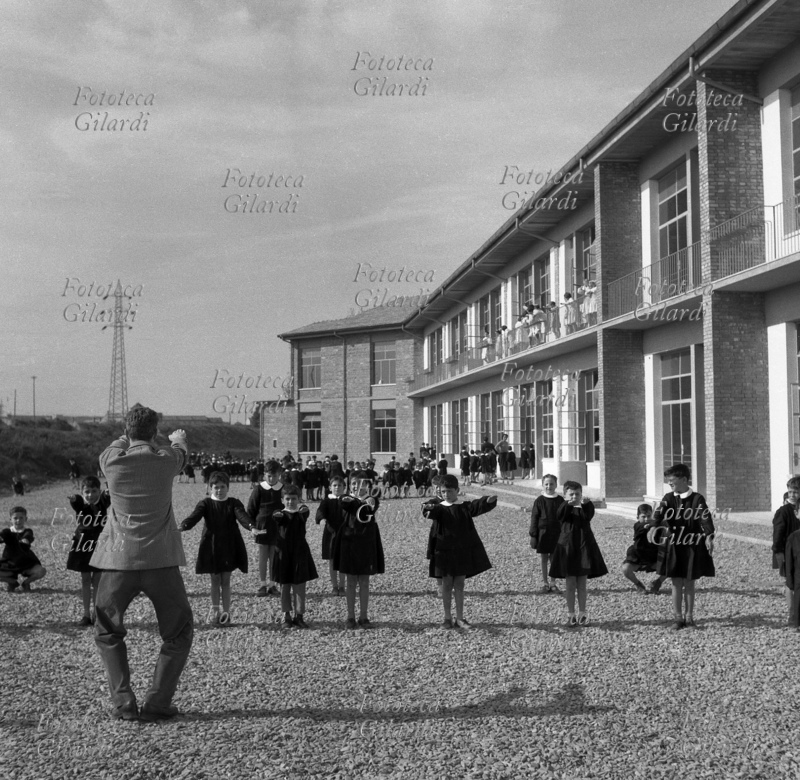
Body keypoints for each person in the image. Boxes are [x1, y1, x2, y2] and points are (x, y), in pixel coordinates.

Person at [90, 406, 192, 722]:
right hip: (160, 560)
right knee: (178, 633)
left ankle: (123, 703)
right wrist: (171, 439)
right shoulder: (166, 461)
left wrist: (135, 435)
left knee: (108, 632)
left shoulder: (111, 461)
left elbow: (118, 444)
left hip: (118, 560)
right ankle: (158, 701)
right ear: (153, 431)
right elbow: (180, 453)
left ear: (127, 430)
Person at [422, 474, 498, 628]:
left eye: (449, 491)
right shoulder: (438, 507)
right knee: (446, 585)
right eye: (443, 492)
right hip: (443, 551)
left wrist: (488, 501)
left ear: (457, 490)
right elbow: (429, 510)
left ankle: (460, 618)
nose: (446, 494)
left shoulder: (463, 506)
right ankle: (447, 617)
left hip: (461, 551)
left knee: (460, 584)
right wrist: (427, 507)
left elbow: (476, 506)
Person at [180, 471, 252, 626]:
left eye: (222, 487)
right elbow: (195, 516)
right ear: (210, 488)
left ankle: (226, 614)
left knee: (225, 580)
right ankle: (214, 612)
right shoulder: (205, 503)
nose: (219, 490)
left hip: (229, 545)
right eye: (216, 487)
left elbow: (242, 516)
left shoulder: (234, 503)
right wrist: (184, 525)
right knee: (214, 580)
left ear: (228, 487)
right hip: (211, 545)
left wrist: (251, 527)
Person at [652, 463, 715, 630]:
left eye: (672, 480)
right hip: (673, 544)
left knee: (689, 582)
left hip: (692, 545)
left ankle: (689, 617)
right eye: (668, 481)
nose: (670, 484)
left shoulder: (697, 499)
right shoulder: (668, 498)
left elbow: (705, 519)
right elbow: (658, 515)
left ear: (684, 479)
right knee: (675, 582)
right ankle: (678, 618)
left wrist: (709, 536)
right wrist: (651, 527)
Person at [549, 480, 607, 626]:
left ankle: (582, 613)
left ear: (581, 494)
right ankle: (570, 614)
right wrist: (568, 504)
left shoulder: (584, 507)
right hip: (568, 548)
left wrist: (587, 504)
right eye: (571, 494)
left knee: (582, 584)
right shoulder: (563, 506)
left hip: (583, 547)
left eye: (577, 494)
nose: (575, 496)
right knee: (570, 584)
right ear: (565, 495)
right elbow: (560, 515)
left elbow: (589, 516)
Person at [333, 482, 385, 629]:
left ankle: (363, 616)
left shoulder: (372, 499)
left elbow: (372, 508)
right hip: (349, 542)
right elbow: (343, 502)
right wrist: (354, 499)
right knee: (350, 581)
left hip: (366, 542)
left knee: (364, 581)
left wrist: (370, 502)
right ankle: (350, 616)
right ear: (350, 485)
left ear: (367, 486)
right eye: (355, 483)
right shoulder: (347, 499)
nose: (358, 487)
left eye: (362, 484)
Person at [271, 485, 318, 629]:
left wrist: (303, 508)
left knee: (300, 586)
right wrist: (276, 513)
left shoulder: (301, 513)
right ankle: (286, 615)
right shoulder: (280, 514)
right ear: (282, 499)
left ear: (298, 499)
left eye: (293, 499)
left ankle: (299, 615)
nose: (290, 502)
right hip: (283, 553)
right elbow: (276, 516)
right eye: (287, 499)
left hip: (299, 553)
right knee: (285, 585)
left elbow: (305, 511)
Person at [67, 477, 110, 625]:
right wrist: (74, 498)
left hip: (99, 545)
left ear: (99, 491)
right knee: (85, 580)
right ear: (82, 492)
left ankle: (96, 614)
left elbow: (107, 497)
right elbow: (77, 502)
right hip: (82, 544)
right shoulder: (81, 505)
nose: (90, 495)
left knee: (97, 581)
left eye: (94, 491)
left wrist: (108, 490)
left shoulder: (103, 503)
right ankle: (85, 614)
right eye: (87, 492)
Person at [247, 460, 284, 597]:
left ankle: (272, 585)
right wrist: (252, 527)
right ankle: (262, 584)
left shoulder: (282, 488)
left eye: (274, 476)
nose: (271, 479)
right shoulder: (259, 489)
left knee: (274, 557)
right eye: (269, 476)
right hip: (262, 526)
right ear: (264, 475)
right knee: (263, 556)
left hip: (277, 527)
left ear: (279, 475)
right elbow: (251, 509)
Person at [529, 474, 565, 593]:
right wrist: (533, 535)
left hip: (556, 533)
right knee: (544, 558)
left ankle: (553, 582)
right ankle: (545, 583)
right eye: (546, 484)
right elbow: (534, 517)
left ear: (556, 485)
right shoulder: (539, 500)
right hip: (543, 533)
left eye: (551, 484)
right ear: (543, 485)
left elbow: (565, 517)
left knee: (554, 558)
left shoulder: (560, 500)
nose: (549, 486)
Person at [621, 504, 667, 594]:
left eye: (649, 516)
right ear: (637, 517)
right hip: (638, 558)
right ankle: (638, 585)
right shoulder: (637, 526)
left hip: (654, 557)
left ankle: (657, 583)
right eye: (643, 517)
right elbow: (645, 526)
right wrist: (651, 525)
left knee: (673, 564)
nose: (646, 519)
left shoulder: (659, 525)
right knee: (625, 569)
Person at [772, 476, 800, 623]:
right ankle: (792, 615)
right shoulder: (783, 512)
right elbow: (778, 534)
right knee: (790, 583)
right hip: (788, 552)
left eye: (795, 492)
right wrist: (778, 552)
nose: (792, 495)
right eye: (790, 492)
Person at [315, 475, 348, 595]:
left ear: (344, 487)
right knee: (332, 560)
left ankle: (342, 586)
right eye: (334, 485)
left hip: (345, 533)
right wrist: (322, 519)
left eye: (340, 485)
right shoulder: (326, 501)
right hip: (331, 533)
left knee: (343, 560)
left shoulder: (347, 500)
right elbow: (320, 511)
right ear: (330, 487)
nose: (337, 487)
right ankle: (334, 586)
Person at [0, 506, 46, 592]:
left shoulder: (27, 531)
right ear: (10, 519)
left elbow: (28, 537)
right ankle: (12, 582)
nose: (18, 520)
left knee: (41, 571)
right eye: (15, 518)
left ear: (26, 519)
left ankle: (26, 583)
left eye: (21, 518)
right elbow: (2, 537)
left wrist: (26, 540)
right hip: (9, 562)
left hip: (26, 561)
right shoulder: (7, 532)